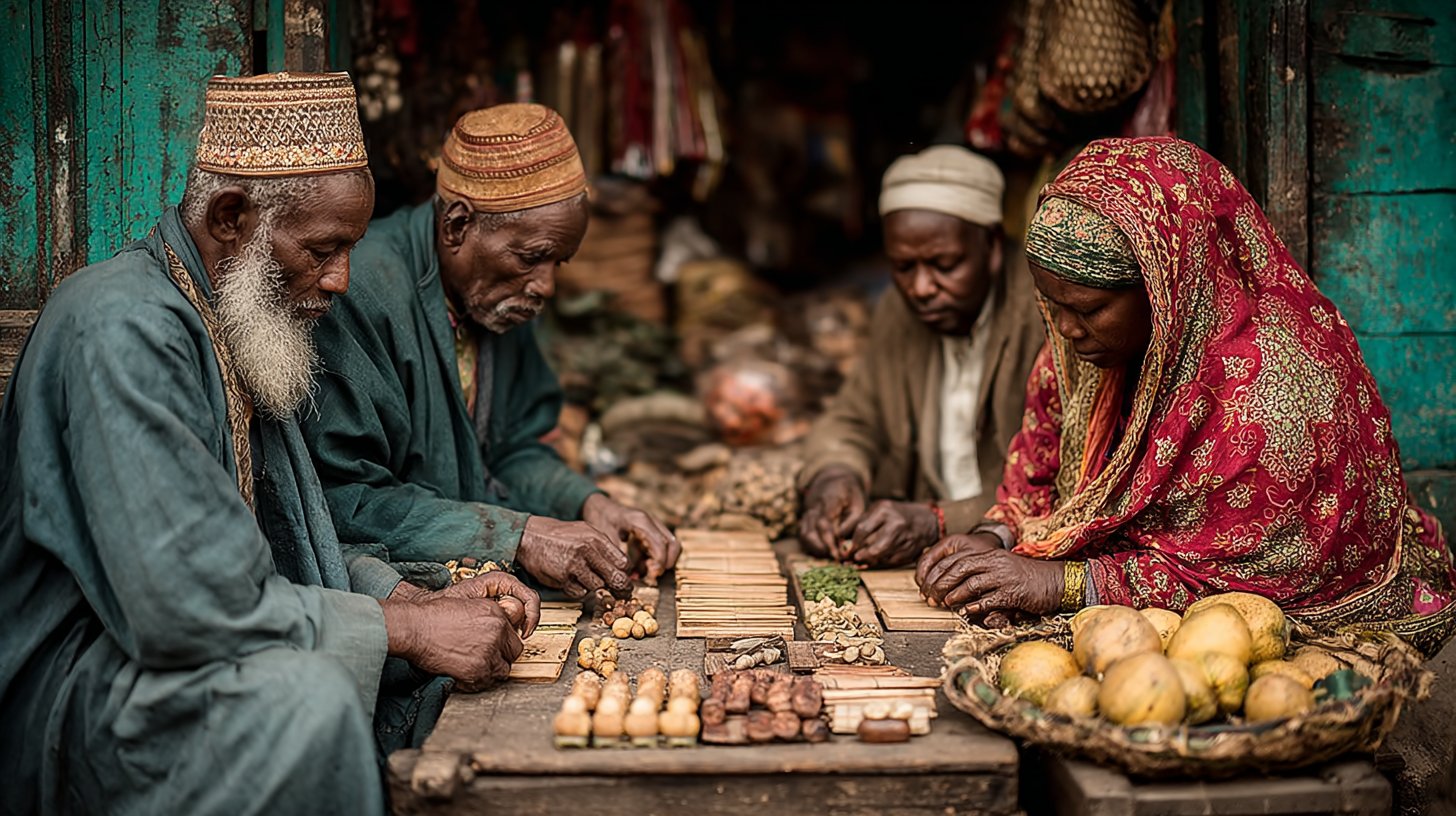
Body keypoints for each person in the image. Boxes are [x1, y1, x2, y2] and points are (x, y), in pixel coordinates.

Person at [0, 73, 539, 816]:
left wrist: (412, 595)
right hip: (92, 690)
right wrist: (409, 628)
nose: (342, 279)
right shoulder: (121, 329)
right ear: (230, 216)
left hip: (173, 663)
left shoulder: (236, 320)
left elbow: (271, 547)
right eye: (323, 249)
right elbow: (183, 606)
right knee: (309, 703)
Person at [915, 136, 1456, 656]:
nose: (1065, 329)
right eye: (1052, 306)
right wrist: (996, 535)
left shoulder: (1270, 397)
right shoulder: (1085, 348)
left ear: (1166, 288)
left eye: (1087, 309)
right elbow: (1041, 457)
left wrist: (1061, 582)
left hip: (1312, 619)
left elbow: (1253, 584)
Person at [301, 103, 679, 598]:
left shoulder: (496, 300)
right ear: (457, 225)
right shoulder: (361, 292)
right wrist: (518, 537)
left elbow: (514, 448)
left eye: (557, 264)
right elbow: (343, 501)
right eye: (531, 258)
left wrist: (589, 503)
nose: (544, 286)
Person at [797, 145, 1045, 568]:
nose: (922, 287)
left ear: (992, 245)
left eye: (944, 264)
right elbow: (854, 417)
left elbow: (1061, 479)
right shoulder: (899, 310)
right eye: (903, 266)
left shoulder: (1043, 312)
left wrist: (940, 522)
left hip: (1013, 557)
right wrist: (835, 474)